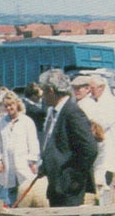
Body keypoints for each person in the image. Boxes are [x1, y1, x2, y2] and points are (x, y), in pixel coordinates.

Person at [37, 69, 97, 208]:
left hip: (69, 186)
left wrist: (74, 177)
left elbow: (90, 149)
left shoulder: (73, 112)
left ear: (51, 91)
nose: (42, 97)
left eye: (44, 92)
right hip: (56, 183)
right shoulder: (55, 112)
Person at [0, 90, 41, 205]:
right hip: (8, 163)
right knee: (10, 191)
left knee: (25, 191)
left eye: (11, 105)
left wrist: (33, 161)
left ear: (17, 104)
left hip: (24, 163)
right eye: (6, 106)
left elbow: (33, 142)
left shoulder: (27, 121)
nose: (9, 108)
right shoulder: (3, 122)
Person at [79, 74, 115, 193]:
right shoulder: (90, 102)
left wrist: (89, 119)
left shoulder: (111, 102)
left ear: (101, 87)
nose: (90, 91)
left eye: (92, 88)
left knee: (104, 182)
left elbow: (103, 123)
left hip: (106, 147)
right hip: (93, 147)